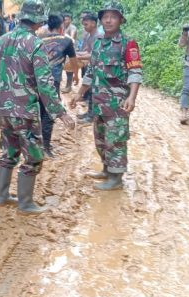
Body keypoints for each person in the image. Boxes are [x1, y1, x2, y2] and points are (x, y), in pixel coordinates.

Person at [0, 0, 76, 214]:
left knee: (9, 152)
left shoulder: (2, 41)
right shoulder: (36, 45)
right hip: (25, 111)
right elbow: (45, 84)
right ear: (39, 20)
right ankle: (25, 203)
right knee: (33, 156)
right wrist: (61, 113)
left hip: (4, 111)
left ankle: (3, 196)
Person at [72, 2, 143, 191]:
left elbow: (135, 71)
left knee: (116, 140)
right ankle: (106, 169)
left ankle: (116, 178)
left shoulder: (128, 44)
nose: (108, 20)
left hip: (117, 104)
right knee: (100, 138)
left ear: (120, 19)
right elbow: (91, 72)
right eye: (105, 16)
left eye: (113, 16)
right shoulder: (98, 42)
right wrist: (80, 93)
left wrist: (132, 98)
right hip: (99, 102)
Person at [40, 14, 76, 158]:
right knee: (49, 113)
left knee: (38, 110)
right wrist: (76, 75)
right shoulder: (66, 41)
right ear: (62, 27)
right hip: (52, 81)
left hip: (36, 80)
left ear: (48, 27)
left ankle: (35, 144)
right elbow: (74, 61)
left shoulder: (39, 40)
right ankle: (45, 147)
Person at [75, 11, 101, 124]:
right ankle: (89, 113)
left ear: (94, 23)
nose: (84, 27)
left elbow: (95, 55)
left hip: (98, 68)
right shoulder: (90, 35)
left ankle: (91, 116)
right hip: (92, 67)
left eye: (86, 24)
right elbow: (88, 51)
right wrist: (77, 55)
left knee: (94, 92)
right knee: (90, 91)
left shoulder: (98, 36)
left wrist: (78, 57)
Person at [61, 13, 79, 93]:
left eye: (67, 19)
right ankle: (66, 85)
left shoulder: (73, 28)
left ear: (70, 20)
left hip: (71, 49)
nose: (65, 21)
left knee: (69, 68)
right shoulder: (63, 27)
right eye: (64, 19)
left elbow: (72, 39)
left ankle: (68, 87)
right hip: (64, 49)